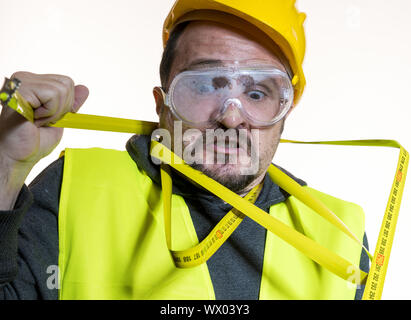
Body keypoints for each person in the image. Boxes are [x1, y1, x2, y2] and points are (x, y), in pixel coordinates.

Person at [0, 0, 369, 300]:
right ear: (162, 104)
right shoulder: (72, 190)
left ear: (284, 114)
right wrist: (5, 164)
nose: (230, 118)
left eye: (257, 93)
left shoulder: (340, 236)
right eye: (205, 86)